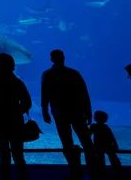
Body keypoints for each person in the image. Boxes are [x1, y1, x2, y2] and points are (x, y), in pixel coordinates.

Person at [41, 49, 99, 180]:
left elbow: (45, 93)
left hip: (60, 112)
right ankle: (93, 171)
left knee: (67, 142)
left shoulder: (48, 74)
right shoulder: (73, 73)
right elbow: (84, 93)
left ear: (51, 59)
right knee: (86, 141)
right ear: (64, 58)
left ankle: (75, 171)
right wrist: (88, 111)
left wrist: (45, 110)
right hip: (76, 111)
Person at [0, 53, 31, 180]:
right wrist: (16, 112)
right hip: (15, 121)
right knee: (18, 154)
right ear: (12, 66)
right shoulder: (16, 82)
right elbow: (27, 102)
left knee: (3, 154)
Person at [89, 110, 124, 180]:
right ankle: (119, 173)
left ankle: (102, 175)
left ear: (95, 118)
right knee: (113, 159)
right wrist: (115, 145)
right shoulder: (106, 128)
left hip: (98, 146)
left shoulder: (94, 127)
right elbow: (112, 137)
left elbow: (87, 135)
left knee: (100, 161)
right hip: (108, 145)